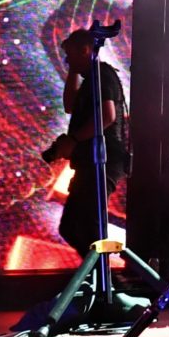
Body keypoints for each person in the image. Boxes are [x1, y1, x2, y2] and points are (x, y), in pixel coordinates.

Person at [44, 27, 130, 272]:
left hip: (104, 160)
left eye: (70, 55)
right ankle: (101, 276)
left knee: (87, 226)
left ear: (85, 50)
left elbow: (107, 116)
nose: (66, 60)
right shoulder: (89, 79)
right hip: (89, 161)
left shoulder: (103, 75)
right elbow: (70, 105)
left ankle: (107, 281)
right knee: (72, 226)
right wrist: (73, 71)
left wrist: (72, 140)